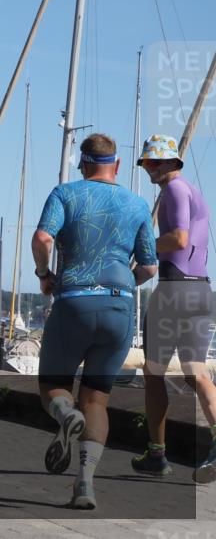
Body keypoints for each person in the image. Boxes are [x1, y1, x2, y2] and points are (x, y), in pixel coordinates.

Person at [32, 133, 157, 510]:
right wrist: (121, 286)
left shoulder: (65, 194)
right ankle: (84, 485)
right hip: (119, 308)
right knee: (97, 399)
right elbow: (149, 266)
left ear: (83, 164)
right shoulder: (137, 203)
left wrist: (44, 274)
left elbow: (42, 238)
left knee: (52, 386)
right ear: (117, 166)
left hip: (74, 302)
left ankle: (65, 414)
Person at [131, 134, 215, 483]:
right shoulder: (193, 191)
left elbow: (178, 239)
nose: (148, 168)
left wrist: (141, 245)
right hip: (200, 289)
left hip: (174, 290)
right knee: (196, 373)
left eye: (152, 162)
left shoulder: (175, 190)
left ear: (168, 163)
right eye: (146, 163)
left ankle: (157, 452)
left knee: (153, 373)